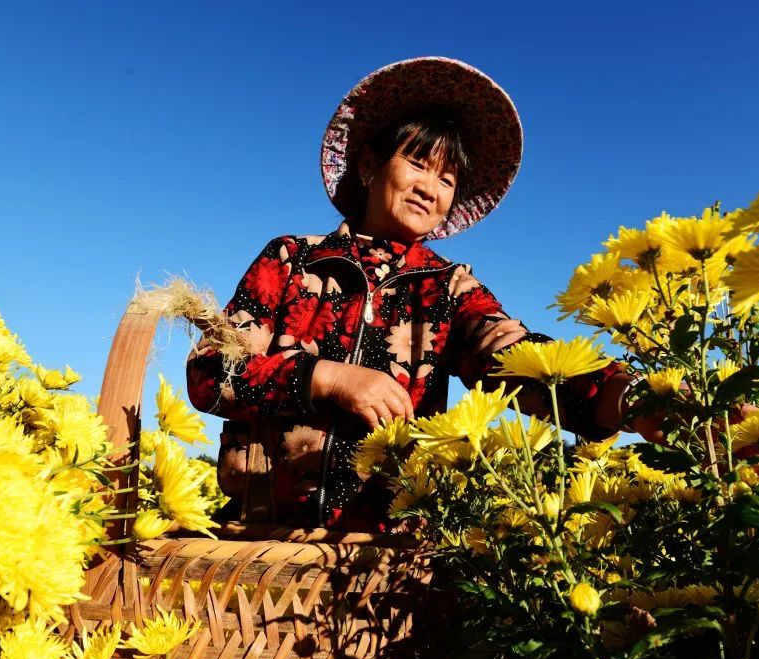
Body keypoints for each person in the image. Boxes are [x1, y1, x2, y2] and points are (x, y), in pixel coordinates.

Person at [187, 58, 646, 531]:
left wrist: (635, 398)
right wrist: (328, 378)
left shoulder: (448, 288)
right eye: (417, 163)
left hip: (383, 557)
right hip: (260, 536)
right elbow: (210, 373)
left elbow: (518, 356)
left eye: (447, 180)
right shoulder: (291, 259)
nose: (430, 187)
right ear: (368, 165)